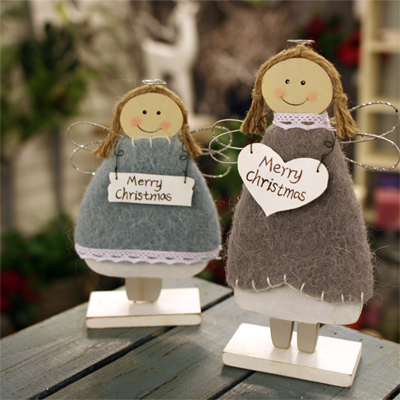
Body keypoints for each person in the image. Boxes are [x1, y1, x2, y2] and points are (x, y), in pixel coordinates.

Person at [226, 44, 374, 353]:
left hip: (322, 246)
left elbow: (340, 195)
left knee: (312, 300)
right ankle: (280, 345)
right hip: (269, 234)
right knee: (276, 300)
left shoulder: (324, 143)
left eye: (304, 82)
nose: (294, 90)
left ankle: (307, 347)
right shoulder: (272, 139)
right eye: (287, 81)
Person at [75, 82, 221, 302]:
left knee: (151, 274)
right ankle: (141, 300)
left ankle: (146, 300)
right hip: (121, 236)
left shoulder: (177, 157)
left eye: (159, 113)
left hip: (171, 238)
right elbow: (99, 194)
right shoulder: (121, 155)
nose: (150, 118)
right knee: (138, 273)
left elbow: (196, 193)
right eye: (143, 112)